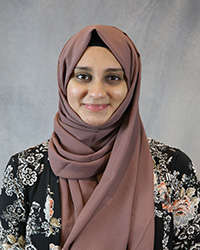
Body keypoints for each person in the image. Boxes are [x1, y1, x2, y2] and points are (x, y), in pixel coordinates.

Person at [0, 25, 199, 250]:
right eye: (83, 76)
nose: (97, 92)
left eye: (113, 78)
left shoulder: (173, 168)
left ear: (131, 85)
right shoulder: (24, 170)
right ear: (65, 81)